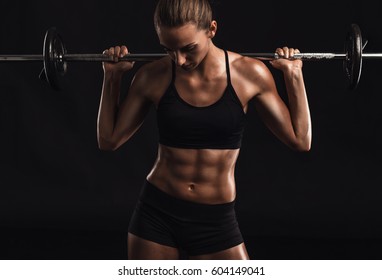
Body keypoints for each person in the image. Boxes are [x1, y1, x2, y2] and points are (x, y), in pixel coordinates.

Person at [97, 0, 311, 260]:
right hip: (157, 213)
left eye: (188, 48)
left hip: (215, 221)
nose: (179, 59)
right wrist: (112, 77)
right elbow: (109, 139)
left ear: (211, 29)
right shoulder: (152, 76)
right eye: (168, 49)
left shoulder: (249, 73)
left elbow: (301, 140)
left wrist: (294, 75)